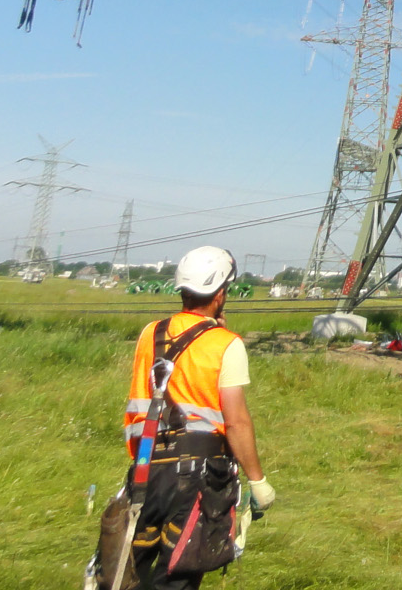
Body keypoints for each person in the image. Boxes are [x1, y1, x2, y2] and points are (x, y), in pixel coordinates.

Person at [121, 246, 275, 589]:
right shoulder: (226, 344)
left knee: (131, 571)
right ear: (220, 294)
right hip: (197, 479)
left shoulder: (151, 333)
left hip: (147, 470)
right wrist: (257, 481)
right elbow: (235, 421)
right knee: (179, 574)